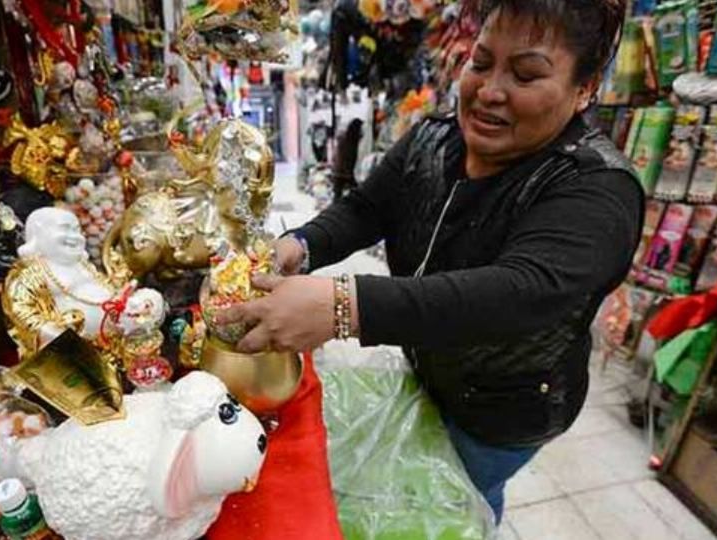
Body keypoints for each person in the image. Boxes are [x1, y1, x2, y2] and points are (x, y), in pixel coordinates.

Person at [216, 0, 642, 523]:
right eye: (480, 63)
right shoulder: (434, 138)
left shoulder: (595, 187)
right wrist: (300, 247)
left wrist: (345, 307)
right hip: (431, 367)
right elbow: (367, 208)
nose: (489, 92)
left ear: (585, 89)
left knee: (458, 504)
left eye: (526, 74)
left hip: (503, 408)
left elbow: (524, 291)